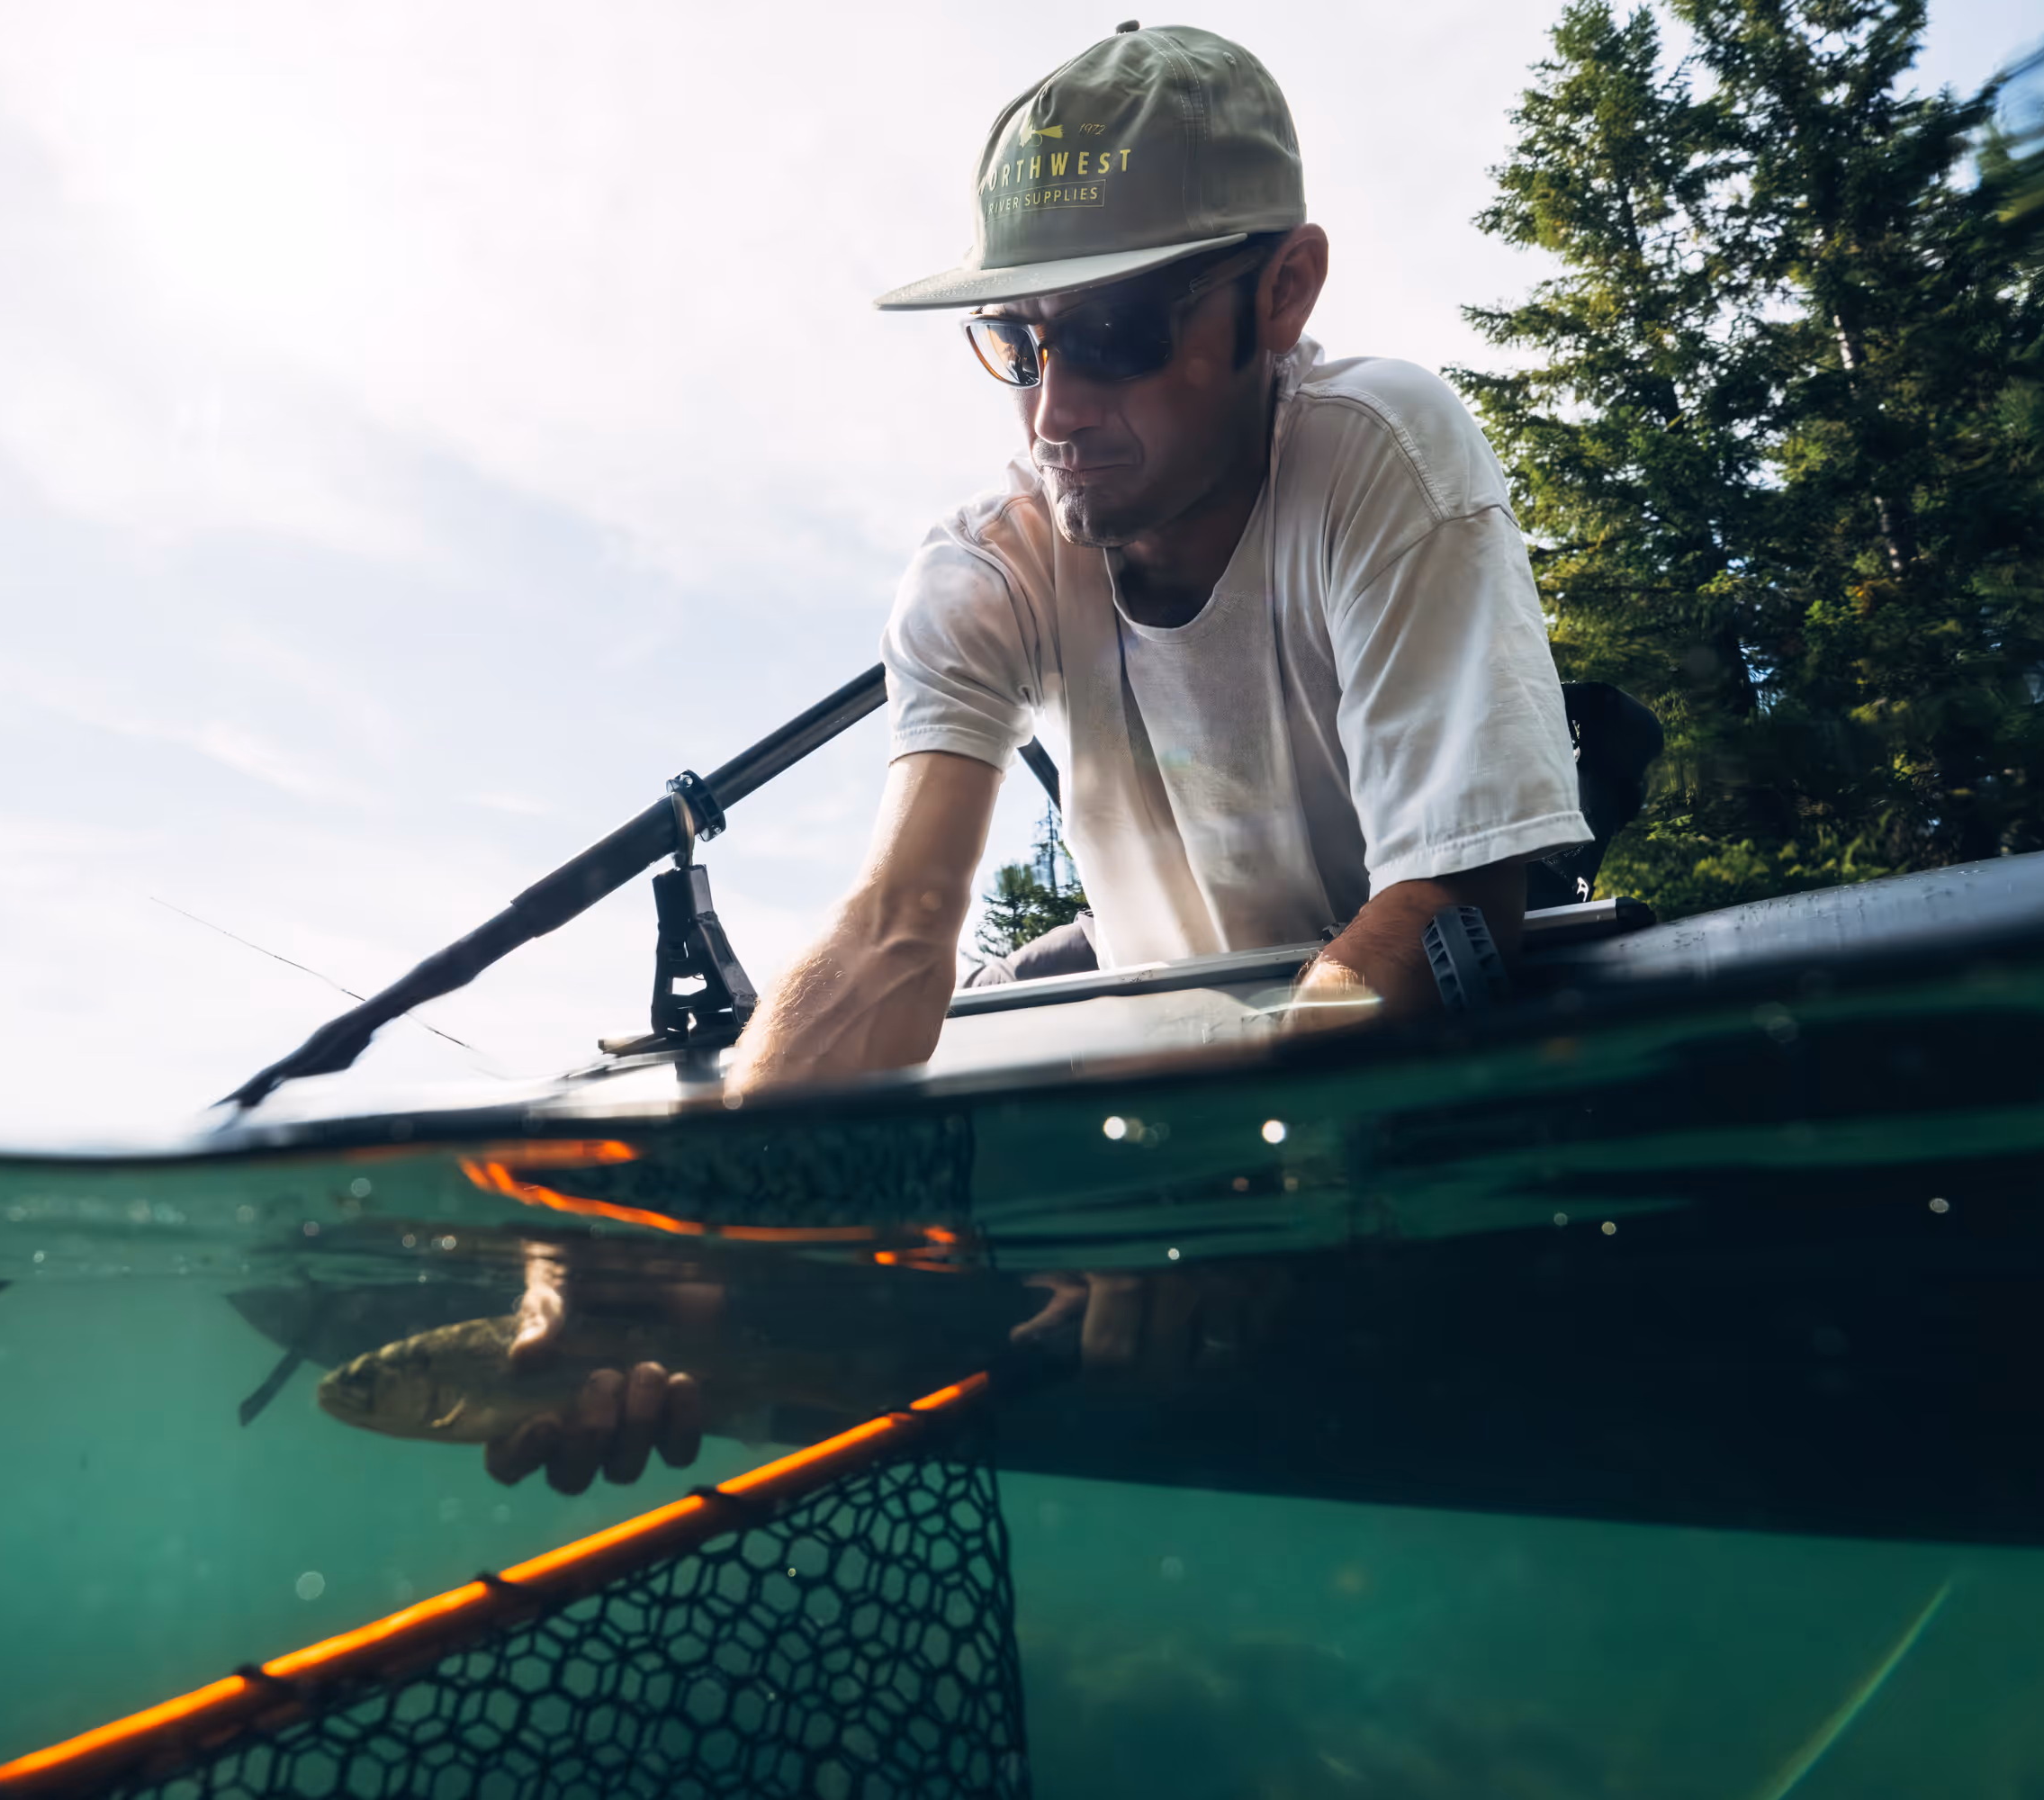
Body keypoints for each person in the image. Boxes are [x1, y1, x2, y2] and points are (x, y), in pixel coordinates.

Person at [489, 21, 1589, 1489]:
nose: (1057, 410)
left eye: (1120, 335)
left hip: (1413, 1104)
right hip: (1175, 1097)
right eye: (1020, 340)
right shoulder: (985, 564)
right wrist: (692, 1244)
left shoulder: (1381, 454)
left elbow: (1460, 899)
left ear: (1285, 291)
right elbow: (895, 937)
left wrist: (1223, 1188)